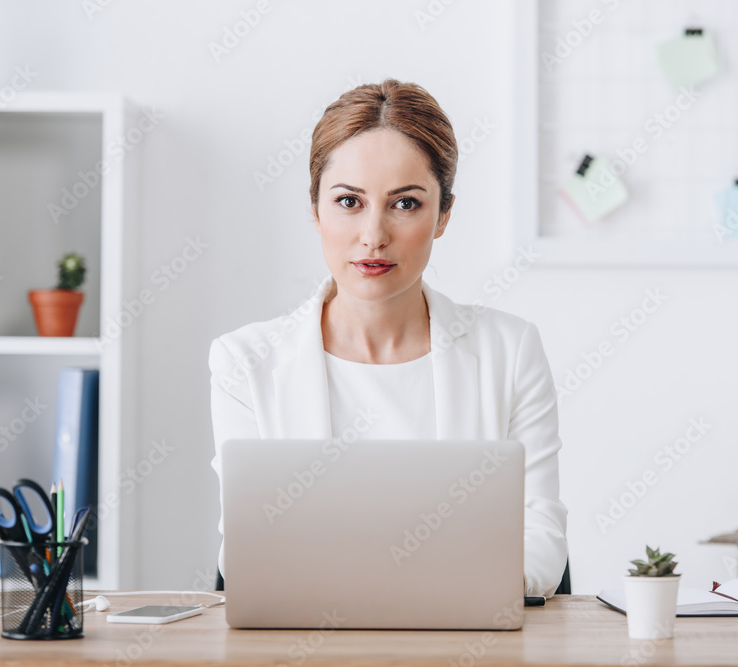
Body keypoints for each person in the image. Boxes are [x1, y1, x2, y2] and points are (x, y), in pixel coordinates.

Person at [209, 79, 568, 597]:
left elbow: (540, 542)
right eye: (349, 201)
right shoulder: (245, 362)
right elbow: (246, 553)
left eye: (405, 204)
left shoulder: (509, 351)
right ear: (315, 210)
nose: (373, 234)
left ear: (443, 214)